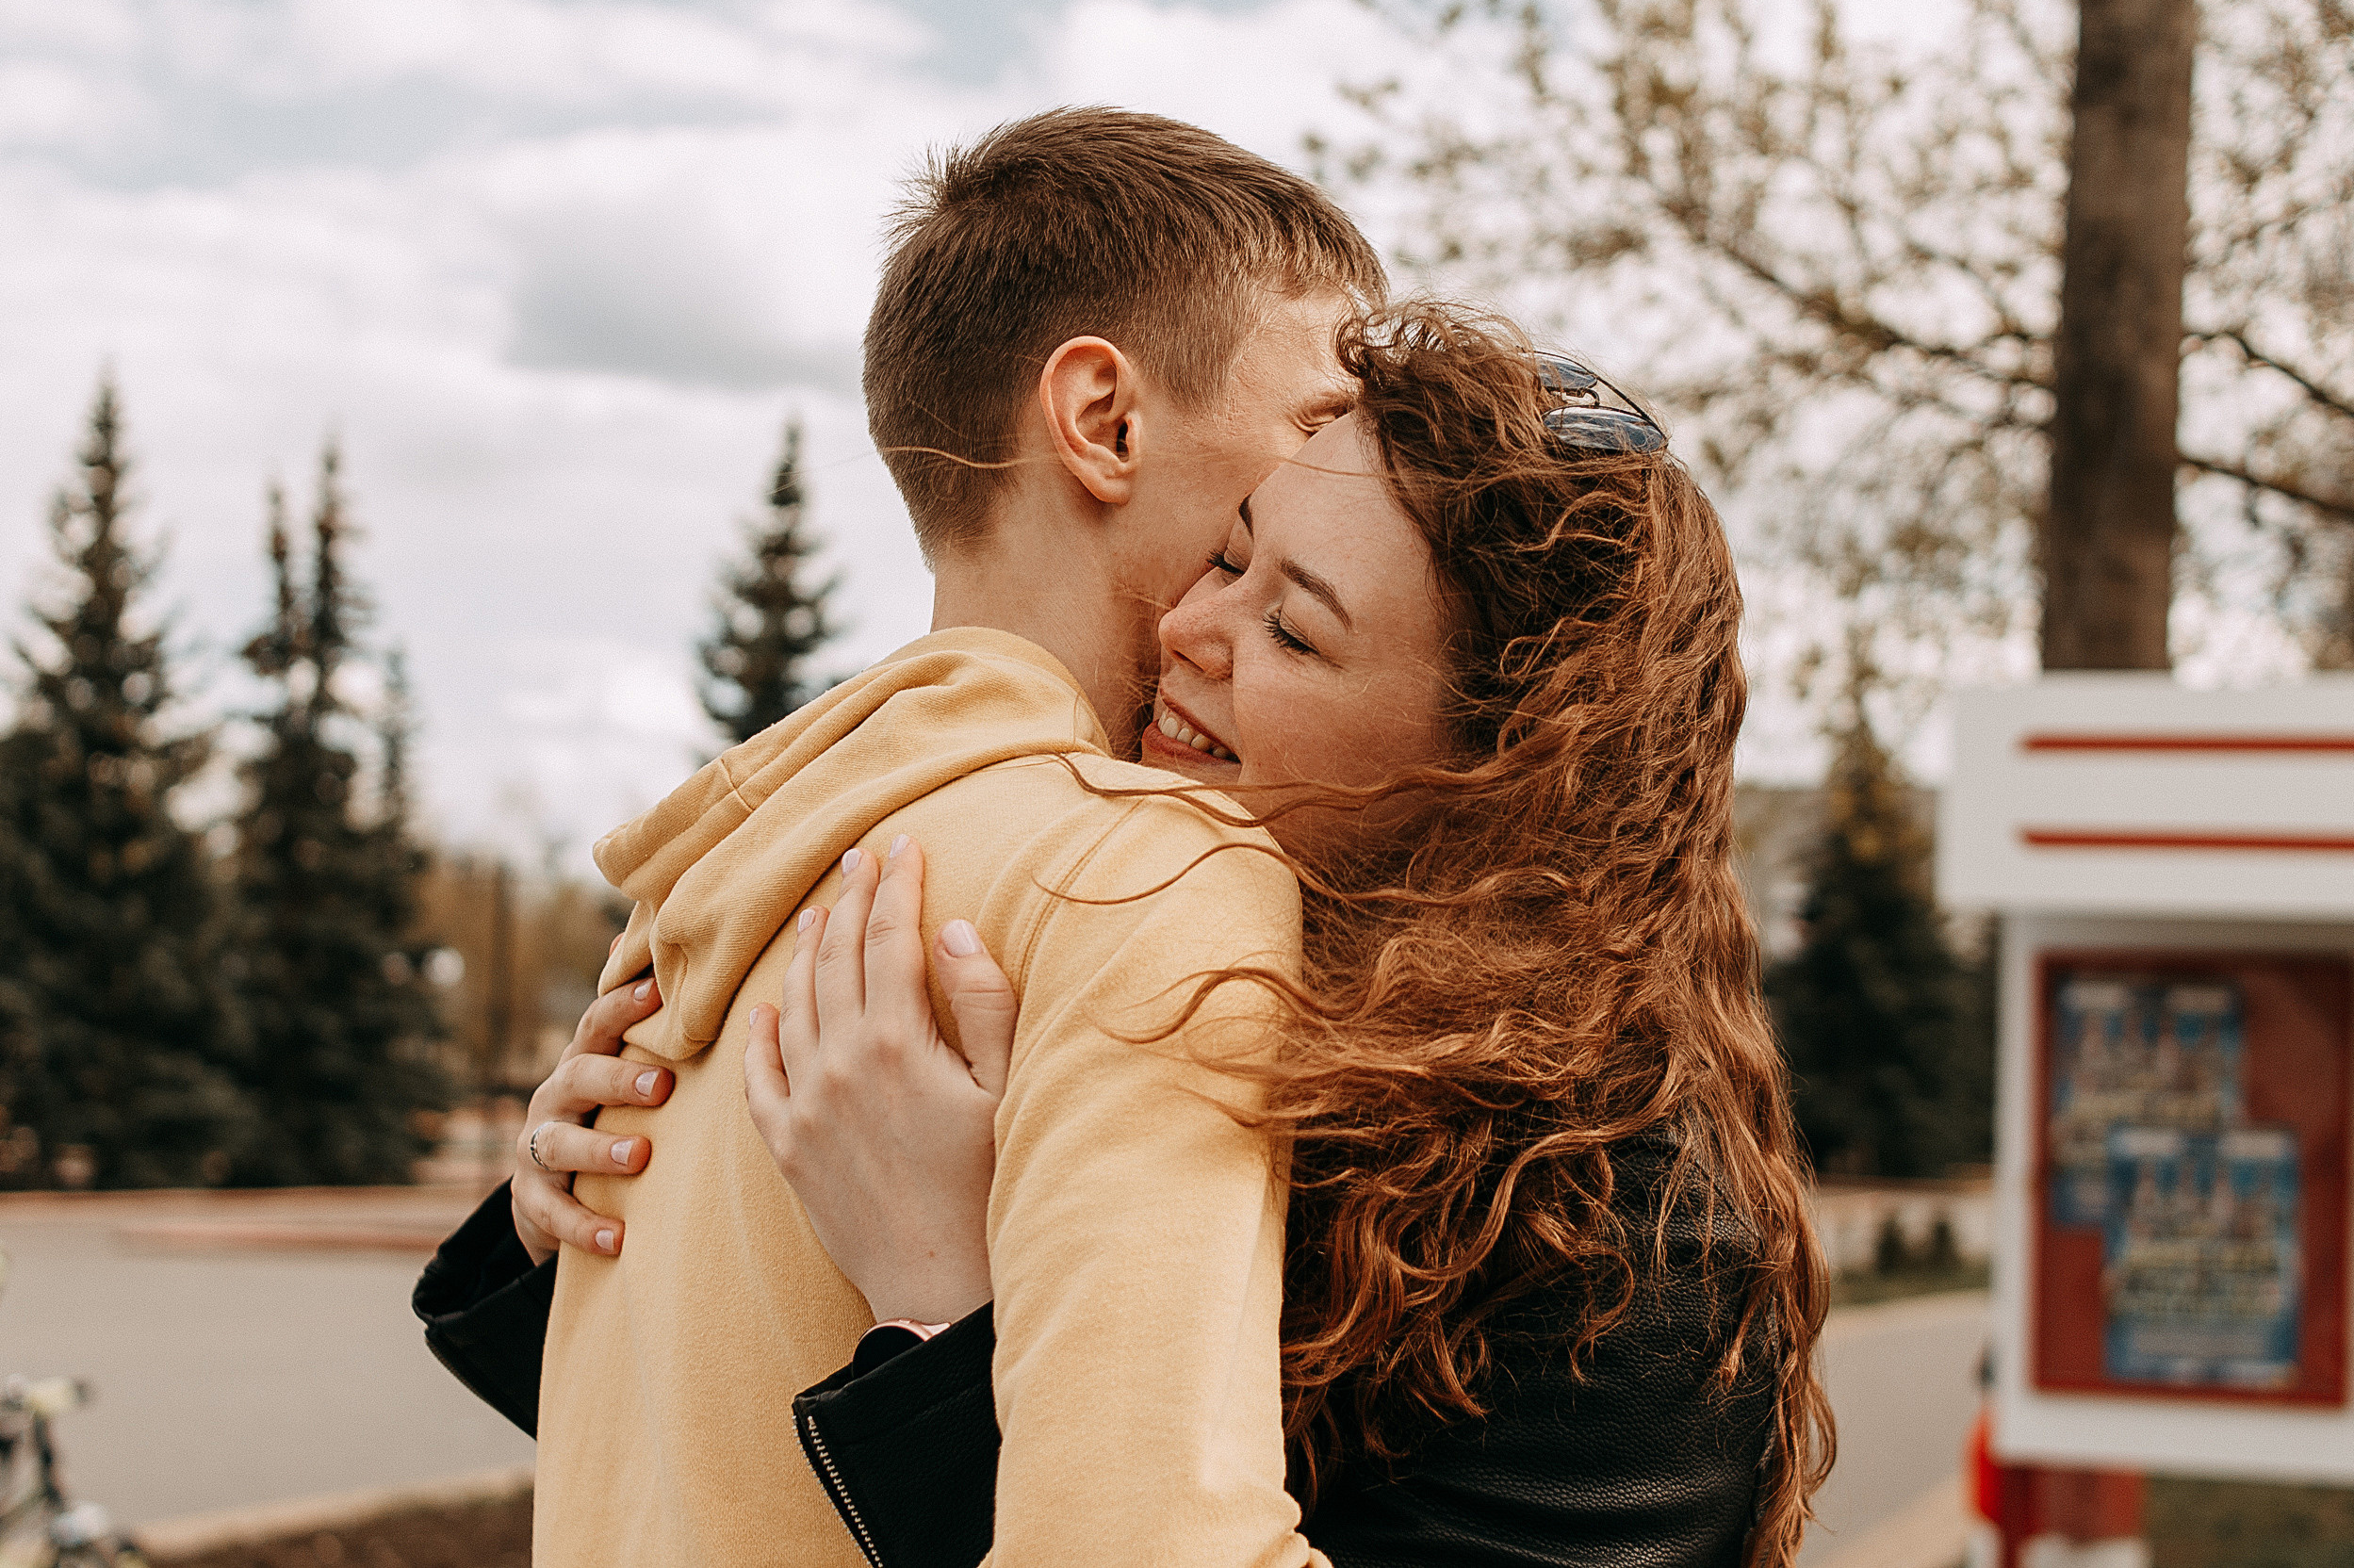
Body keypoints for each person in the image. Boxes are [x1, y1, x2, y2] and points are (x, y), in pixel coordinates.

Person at [421, 302, 1835, 1565]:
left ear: (1500, 779)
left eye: (1295, 631)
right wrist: (613, 1179)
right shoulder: (1169, 972)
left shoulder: (1624, 1248)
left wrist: (939, 1305)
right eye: (1230, 557)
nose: (1190, 632)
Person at [416, 106, 1382, 1568]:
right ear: (1104, 421)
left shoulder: (715, 896)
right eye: (1319, 420)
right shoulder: (1146, 876)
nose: (1350, 474)